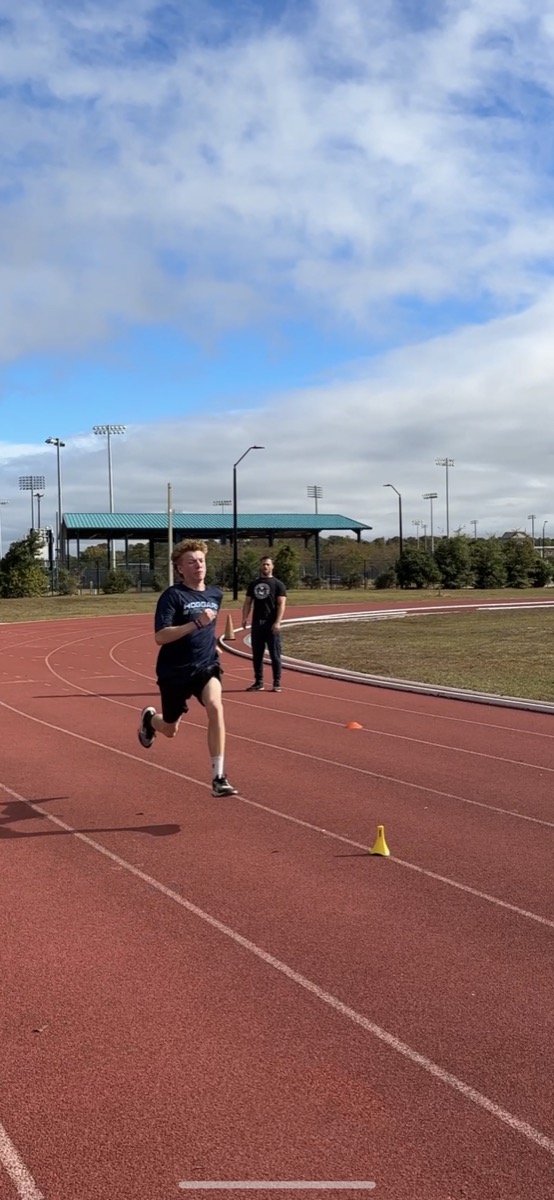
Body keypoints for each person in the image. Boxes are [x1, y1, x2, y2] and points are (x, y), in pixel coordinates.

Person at [137, 538, 238, 797]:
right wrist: (196, 625)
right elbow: (160, 637)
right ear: (180, 568)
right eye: (191, 562)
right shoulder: (173, 596)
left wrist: (211, 644)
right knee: (170, 729)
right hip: (173, 671)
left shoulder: (215, 593)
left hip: (205, 666)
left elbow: (209, 629)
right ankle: (151, 721)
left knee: (216, 707)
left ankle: (218, 777)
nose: (198, 566)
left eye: (201, 561)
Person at [242, 556, 287, 692]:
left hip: (271, 625)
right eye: (263, 564)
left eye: (268, 564)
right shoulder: (254, 584)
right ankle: (258, 682)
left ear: (272, 567)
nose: (265, 567)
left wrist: (277, 622)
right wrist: (244, 618)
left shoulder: (278, 584)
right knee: (257, 655)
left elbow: (281, 604)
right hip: (257, 624)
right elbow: (248, 602)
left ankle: (276, 682)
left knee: (275, 655)